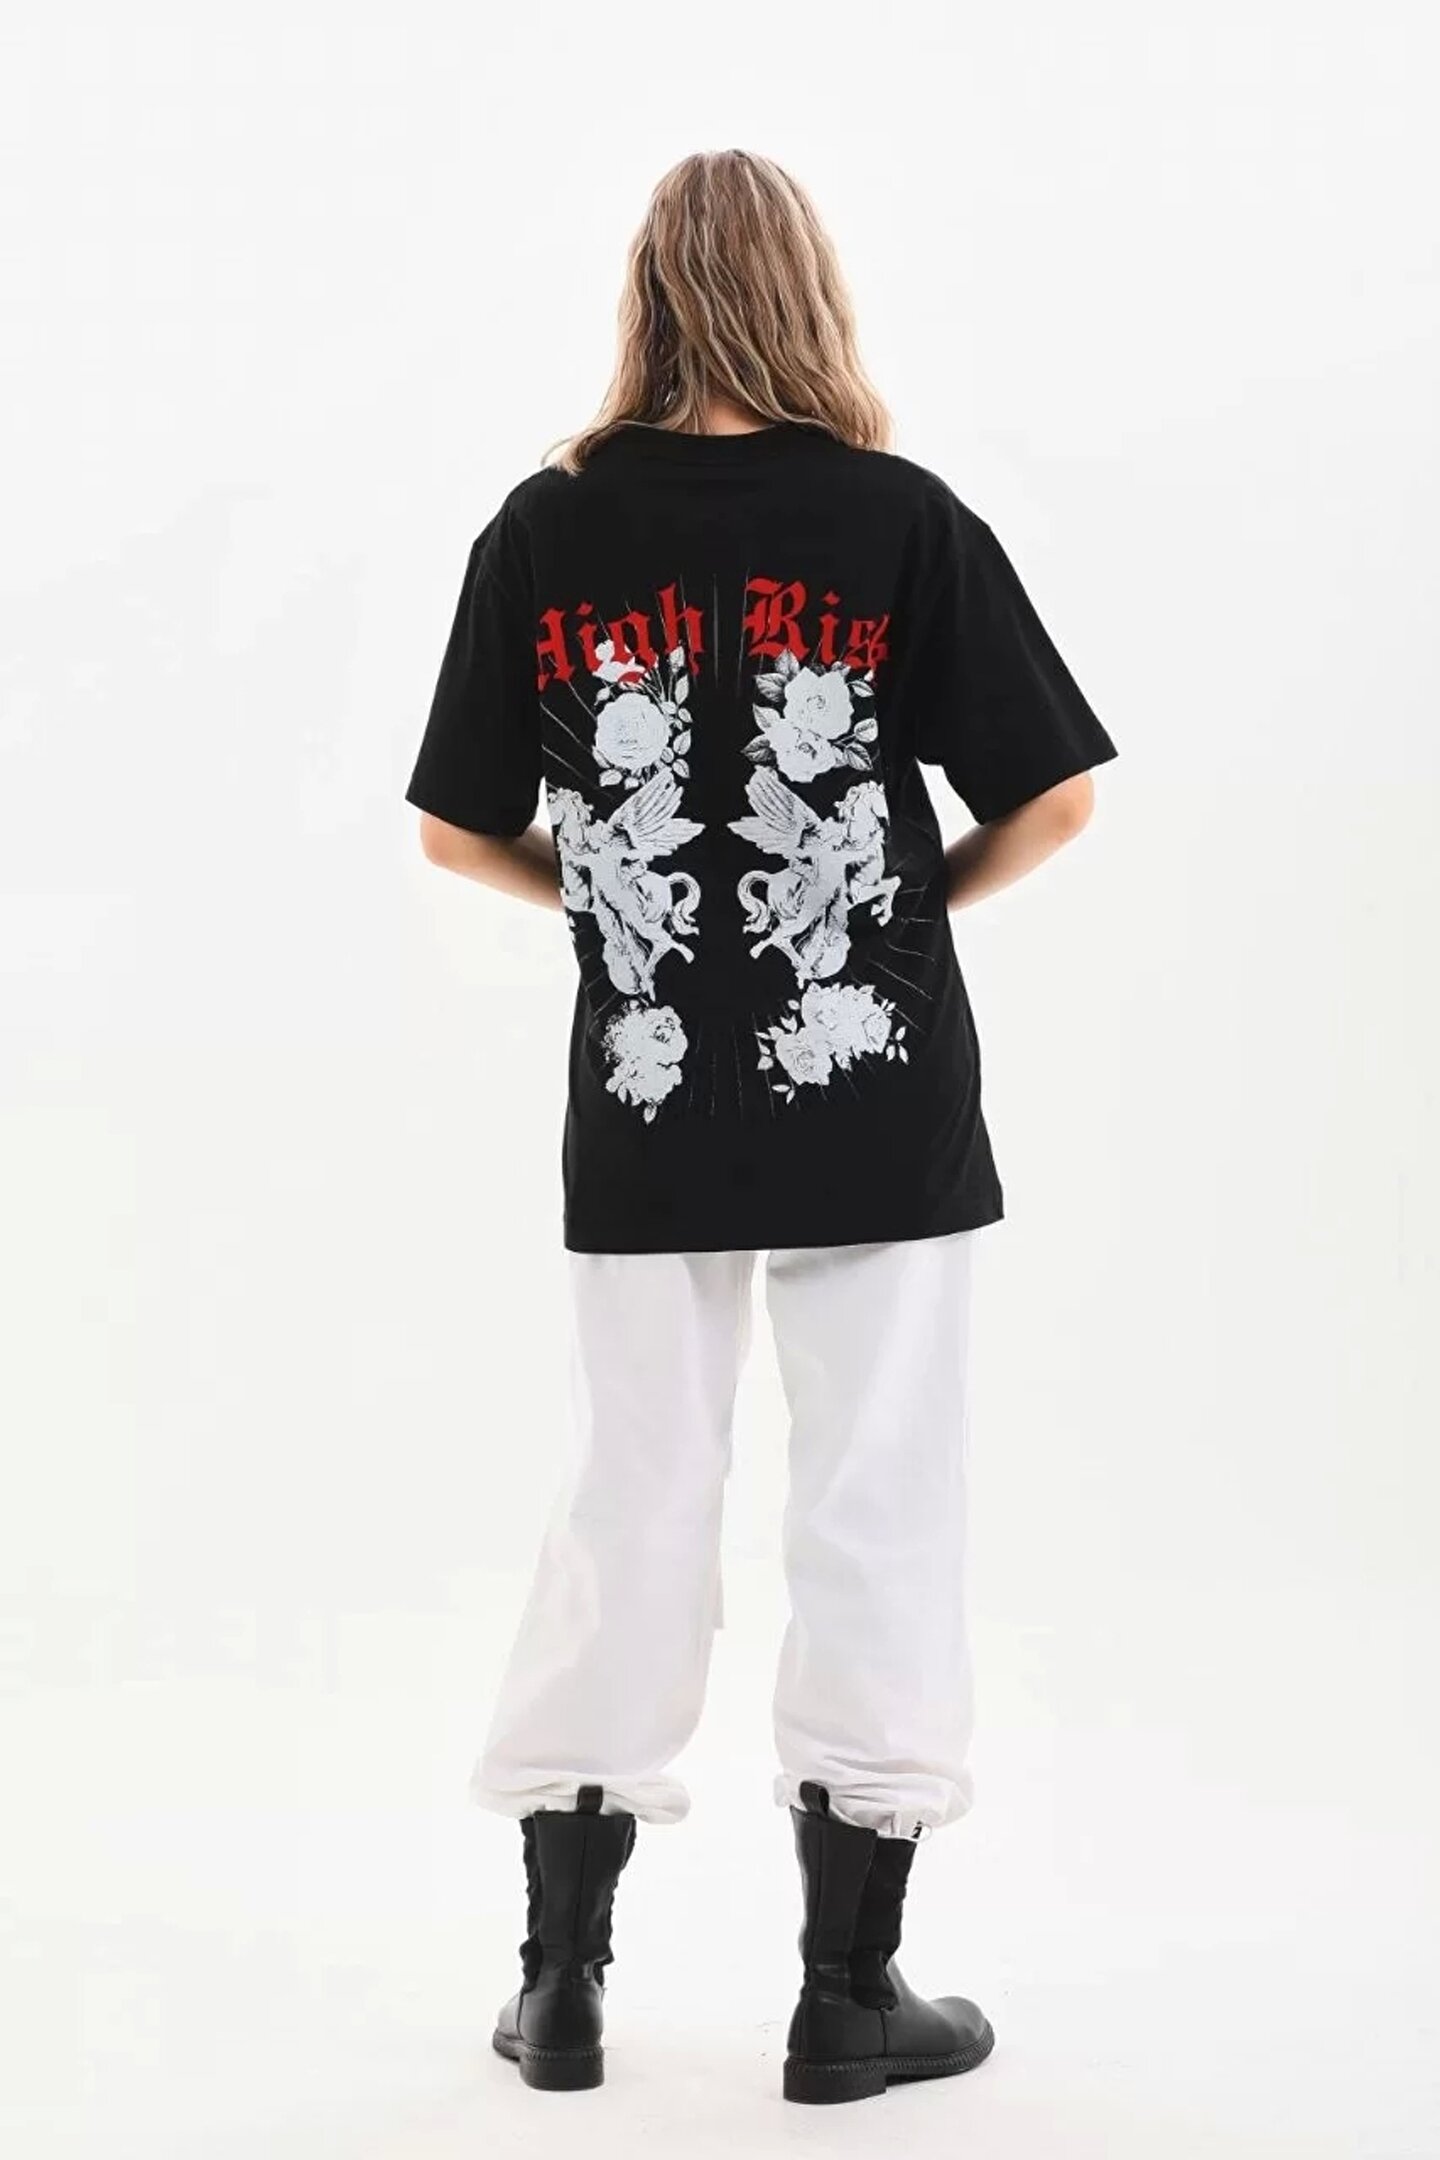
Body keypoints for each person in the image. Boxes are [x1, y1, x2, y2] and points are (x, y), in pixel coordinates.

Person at [406, 149, 1116, 2106]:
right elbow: (1056, 799)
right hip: (875, 1088)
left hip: (647, 1096)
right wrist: (898, 910)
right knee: (877, 1503)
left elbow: (458, 826)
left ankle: (561, 1985)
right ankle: (848, 1993)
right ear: (808, 291)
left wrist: (615, 911)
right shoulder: (899, 518)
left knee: (630, 1498)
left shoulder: (548, 527)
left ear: (646, 296)